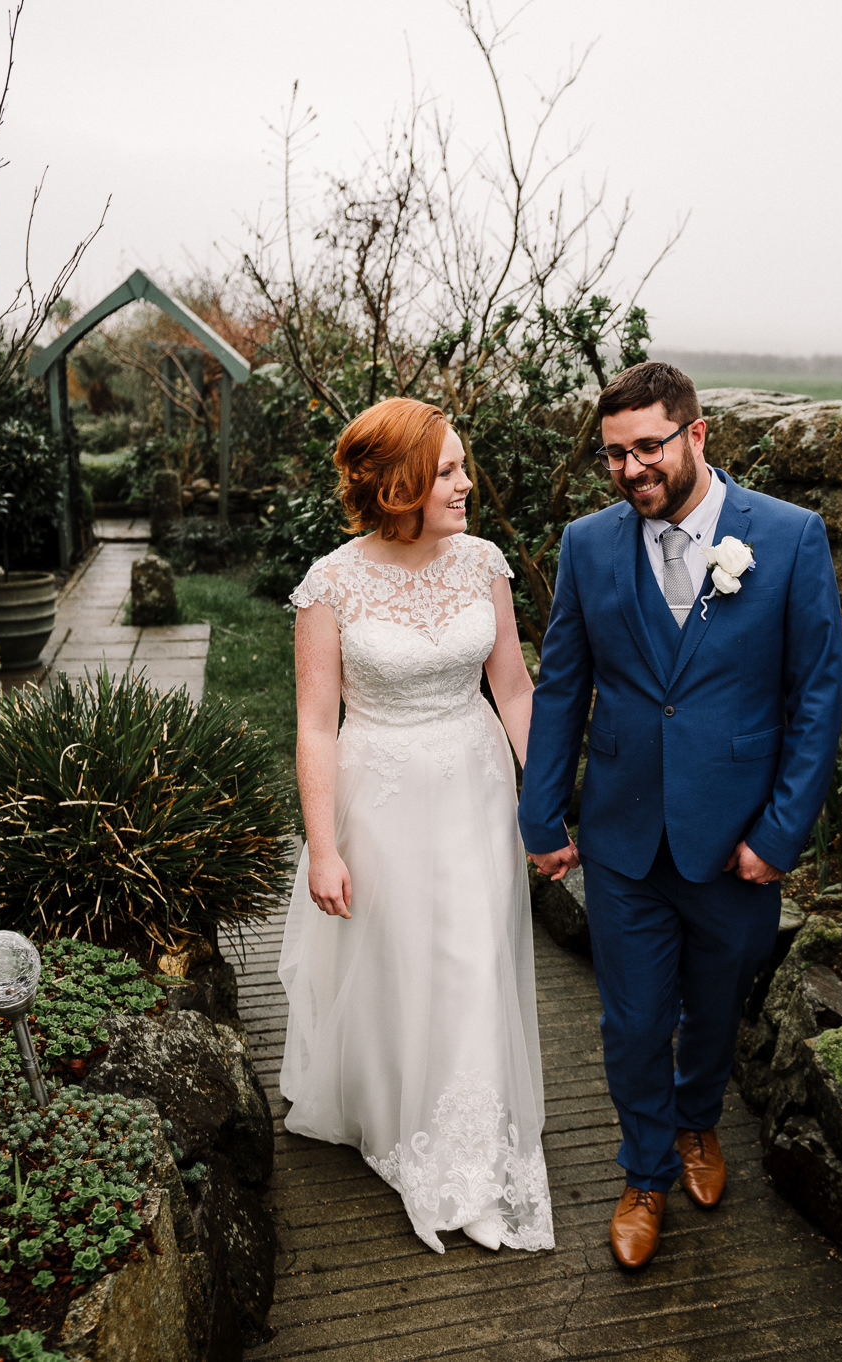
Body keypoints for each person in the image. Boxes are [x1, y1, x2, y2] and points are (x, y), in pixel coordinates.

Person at [518, 361, 842, 1270]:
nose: (630, 471)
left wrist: (779, 836)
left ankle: (700, 1122)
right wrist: (543, 814)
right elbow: (562, 687)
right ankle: (646, 1171)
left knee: (713, 1007)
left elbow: (815, 698)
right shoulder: (587, 546)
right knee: (630, 1021)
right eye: (614, 454)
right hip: (622, 835)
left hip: (738, 840)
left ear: (697, 436)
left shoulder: (785, 538)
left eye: (647, 448)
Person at [277, 397, 555, 1254]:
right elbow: (315, 724)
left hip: (476, 791)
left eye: (462, 466)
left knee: (471, 960)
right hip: (384, 798)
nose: (467, 483)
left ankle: (466, 1161)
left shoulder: (484, 565)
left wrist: (542, 801)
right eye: (448, 471)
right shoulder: (331, 584)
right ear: (397, 484)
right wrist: (324, 848)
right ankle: (390, 1106)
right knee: (403, 966)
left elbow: (512, 687)